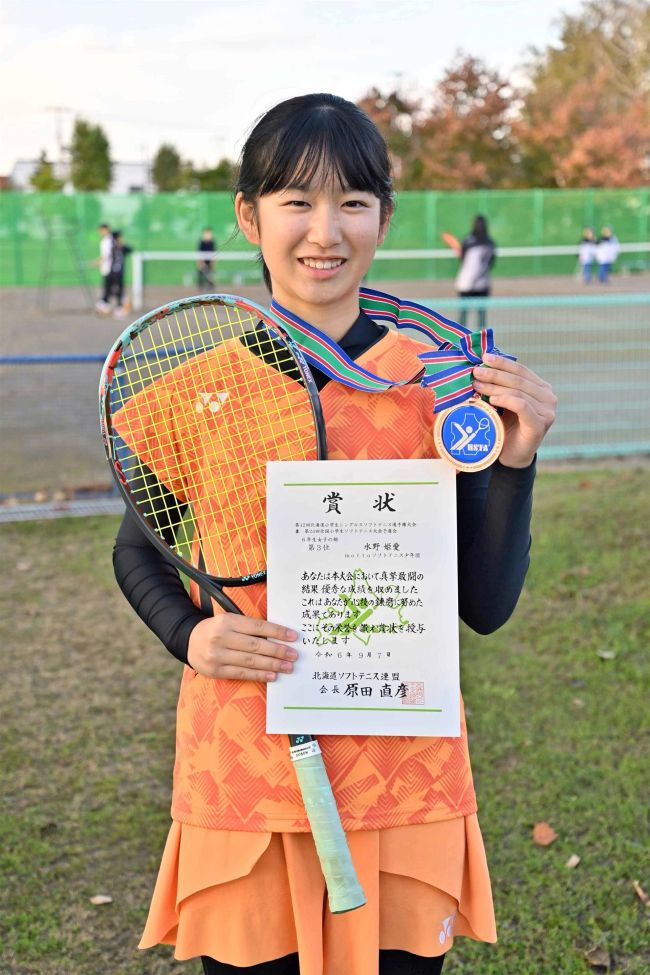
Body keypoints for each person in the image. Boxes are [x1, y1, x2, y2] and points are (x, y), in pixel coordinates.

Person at [112, 93, 557, 975]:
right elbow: (138, 550)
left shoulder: (441, 382)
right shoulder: (201, 382)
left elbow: (486, 606)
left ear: (384, 219)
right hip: (246, 779)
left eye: (352, 201)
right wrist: (191, 634)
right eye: (295, 201)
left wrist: (516, 462)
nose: (325, 230)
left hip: (407, 778)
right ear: (249, 216)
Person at [455, 215, 496, 329]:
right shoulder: (490, 243)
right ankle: (479, 341)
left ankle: (461, 338)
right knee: (479, 315)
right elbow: (491, 262)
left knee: (466, 313)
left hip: (468, 284)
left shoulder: (468, 241)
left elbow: (463, 259)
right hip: (478, 284)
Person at [107, 229, 132, 318]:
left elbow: (130, 249)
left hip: (119, 273)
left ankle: (120, 308)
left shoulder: (122, 247)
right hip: (114, 273)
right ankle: (117, 307)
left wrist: (121, 244)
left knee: (120, 290)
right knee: (116, 290)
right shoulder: (113, 247)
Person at [95, 222, 113, 314]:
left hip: (110, 268)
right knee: (108, 288)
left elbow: (106, 255)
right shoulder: (105, 240)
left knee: (109, 288)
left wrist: (98, 262)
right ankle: (105, 305)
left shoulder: (109, 240)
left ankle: (105, 305)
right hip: (106, 268)